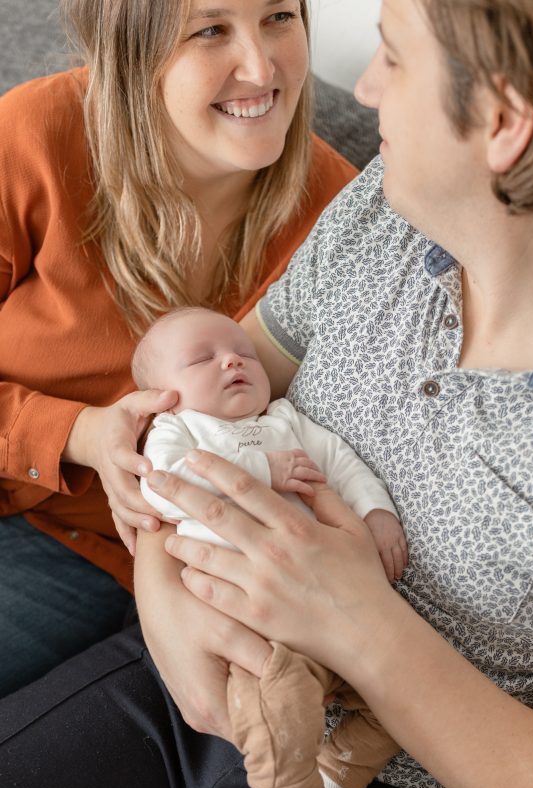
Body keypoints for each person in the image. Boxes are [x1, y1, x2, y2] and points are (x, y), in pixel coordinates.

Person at [1, 2, 533, 788]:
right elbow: (183, 422)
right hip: (188, 683)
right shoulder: (377, 214)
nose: (358, 89)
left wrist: (356, 620)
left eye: (394, 61)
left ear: (503, 124)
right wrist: (169, 609)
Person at [0, 0, 356, 696]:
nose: (261, 67)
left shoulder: (341, 212)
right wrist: (80, 433)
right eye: (211, 30)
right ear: (134, 54)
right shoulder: (33, 139)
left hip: (160, 565)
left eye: (280, 17)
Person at [132, 305, 406, 788]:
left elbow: (342, 464)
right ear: (162, 396)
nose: (232, 358)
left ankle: (338, 777)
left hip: (336, 618)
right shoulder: (178, 431)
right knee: (277, 734)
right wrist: (263, 470)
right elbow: (162, 485)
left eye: (243, 352)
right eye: (202, 358)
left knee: (403, 705)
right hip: (258, 635)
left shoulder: (286, 419)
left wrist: (377, 512)